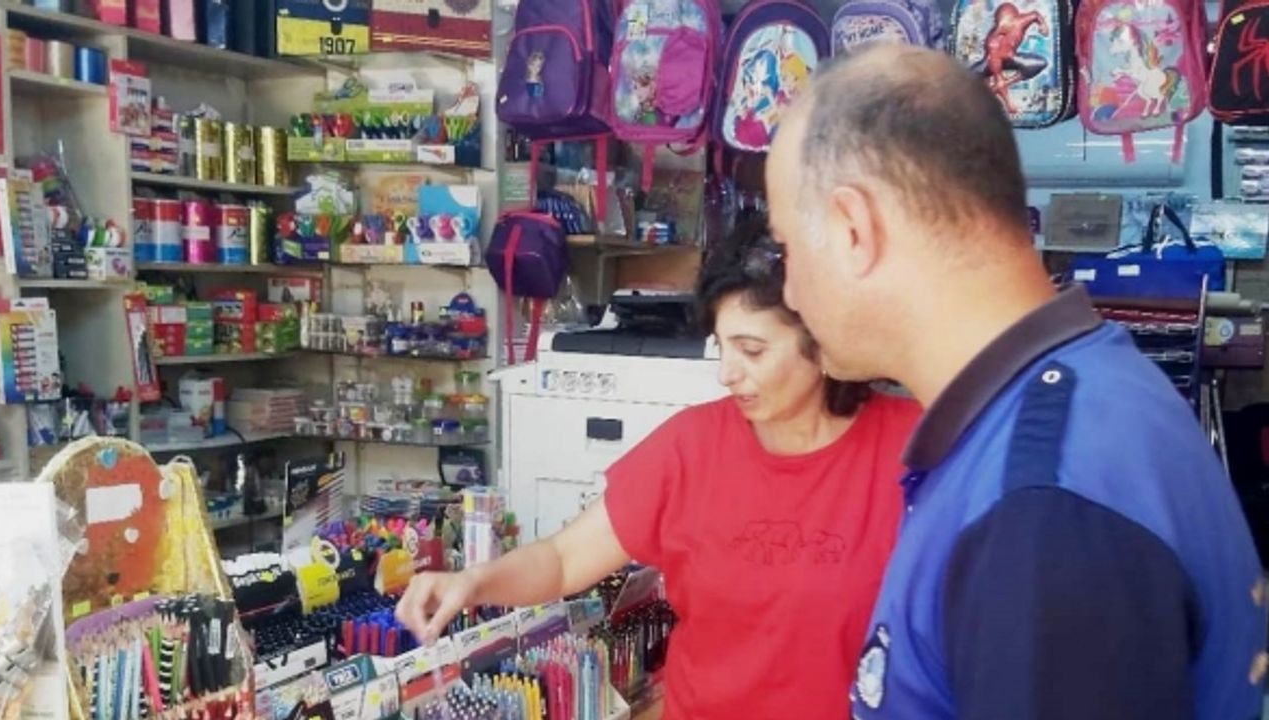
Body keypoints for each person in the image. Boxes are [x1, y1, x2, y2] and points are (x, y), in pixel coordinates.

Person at [766, 44, 1267, 720]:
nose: (789, 292)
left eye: (787, 248)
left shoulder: (1040, 508)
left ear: (854, 229)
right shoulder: (1084, 395)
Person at [397, 218, 922, 720]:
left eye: (753, 350)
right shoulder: (692, 446)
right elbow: (562, 559)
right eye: (721, 346)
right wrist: (474, 582)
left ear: (826, 340)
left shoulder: (915, 451)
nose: (727, 373)